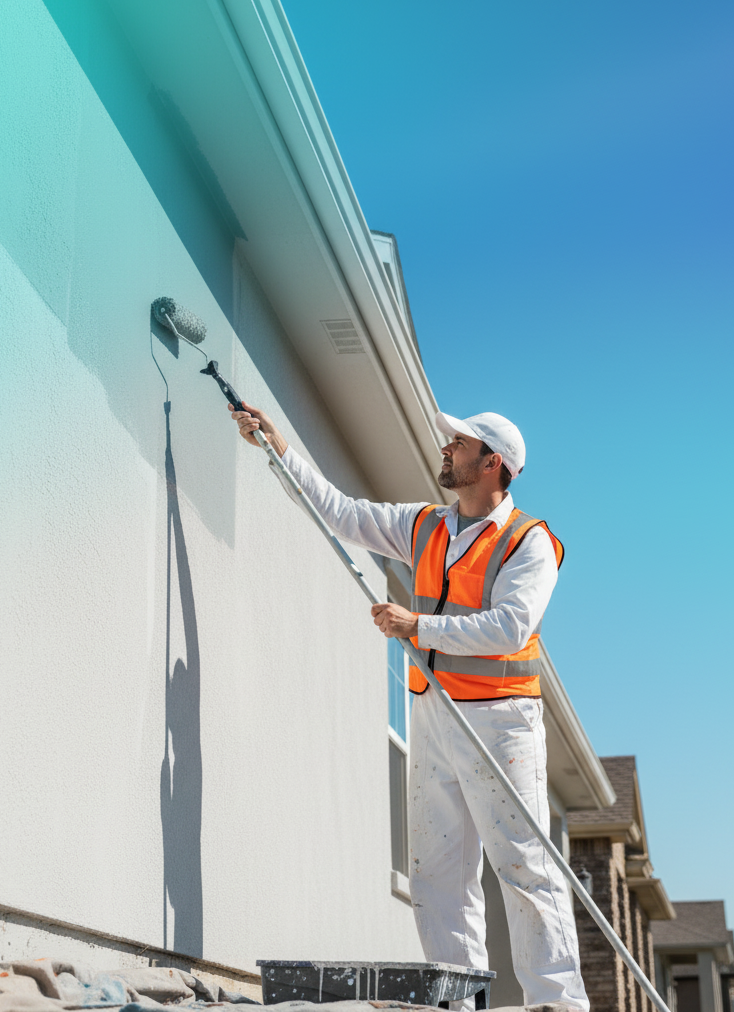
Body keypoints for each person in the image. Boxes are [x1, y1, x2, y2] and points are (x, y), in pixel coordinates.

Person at [230, 401, 588, 1011]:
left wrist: (415, 625)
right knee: (437, 872)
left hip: (502, 722)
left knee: (524, 868)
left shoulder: (531, 543)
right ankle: (457, 998)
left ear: (492, 463)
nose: (445, 447)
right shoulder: (424, 525)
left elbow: (508, 627)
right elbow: (341, 513)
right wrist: (279, 450)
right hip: (435, 716)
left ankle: (558, 1003)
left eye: (459, 442)